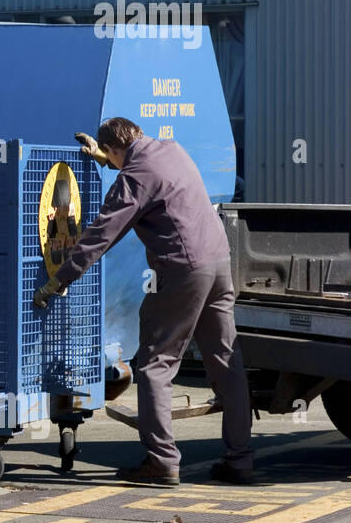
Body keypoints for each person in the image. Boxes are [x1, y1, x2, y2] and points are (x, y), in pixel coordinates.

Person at [33, 118, 254, 485]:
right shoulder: (171, 149)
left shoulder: (133, 177)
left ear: (114, 149)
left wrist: (59, 280)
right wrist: (106, 160)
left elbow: (102, 233)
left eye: (109, 157)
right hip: (218, 263)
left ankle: (161, 462)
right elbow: (149, 174)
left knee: (155, 364)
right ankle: (240, 460)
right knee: (225, 363)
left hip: (182, 270)